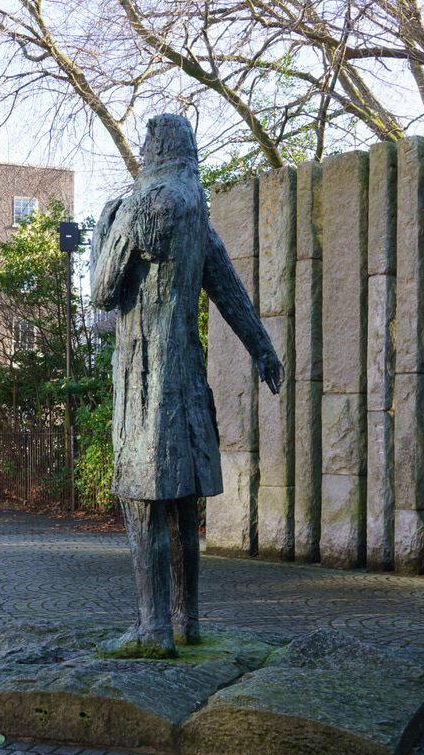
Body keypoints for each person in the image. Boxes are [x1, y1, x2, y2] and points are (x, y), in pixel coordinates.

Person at [90, 114, 283, 658]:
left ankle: (154, 630)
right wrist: (264, 350)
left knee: (144, 504)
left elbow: (103, 293)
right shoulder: (197, 213)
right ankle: (187, 620)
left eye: (146, 142)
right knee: (181, 506)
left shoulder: (137, 207)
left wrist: (105, 231)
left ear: (156, 148)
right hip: (187, 376)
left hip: (144, 375)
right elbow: (230, 292)